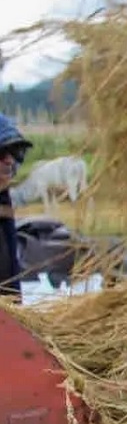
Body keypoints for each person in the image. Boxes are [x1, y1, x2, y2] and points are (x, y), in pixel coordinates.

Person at [0, 113, 33, 300]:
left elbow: (11, 285)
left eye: (15, 153)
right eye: (1, 153)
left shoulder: (4, 201)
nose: (10, 161)